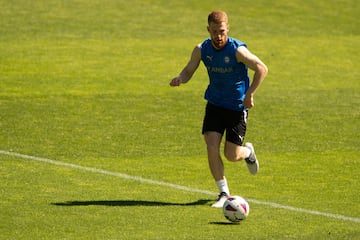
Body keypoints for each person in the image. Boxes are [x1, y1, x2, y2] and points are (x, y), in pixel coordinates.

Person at [169, 11, 268, 208]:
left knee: (231, 155)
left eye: (222, 31)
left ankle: (248, 152)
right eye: (214, 32)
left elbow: (261, 68)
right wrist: (181, 78)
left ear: (228, 29)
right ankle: (223, 192)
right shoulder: (201, 49)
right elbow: (189, 70)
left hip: (236, 108)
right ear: (208, 30)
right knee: (211, 145)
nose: (219, 36)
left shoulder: (237, 51)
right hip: (214, 104)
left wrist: (249, 94)